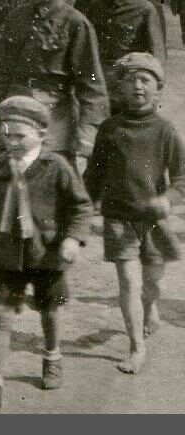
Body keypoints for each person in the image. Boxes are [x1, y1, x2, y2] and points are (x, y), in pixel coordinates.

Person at [0, 96, 92, 412]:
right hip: (8, 254)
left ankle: (52, 355)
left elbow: (81, 206)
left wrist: (72, 240)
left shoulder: (56, 167)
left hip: (47, 254)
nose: (11, 142)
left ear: (41, 133)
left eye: (19, 136)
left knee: (48, 311)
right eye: (6, 135)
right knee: (1, 314)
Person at [83, 52, 184, 375]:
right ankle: (136, 347)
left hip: (153, 220)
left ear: (157, 88)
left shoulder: (165, 130)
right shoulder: (110, 129)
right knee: (128, 282)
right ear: (120, 88)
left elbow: (182, 177)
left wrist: (169, 198)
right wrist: (83, 209)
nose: (138, 86)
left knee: (151, 283)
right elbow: (94, 175)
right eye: (130, 80)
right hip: (118, 218)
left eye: (145, 80)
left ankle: (151, 305)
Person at [0, 0, 108, 168]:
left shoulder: (75, 23)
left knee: (49, 177)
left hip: (53, 119)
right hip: (15, 111)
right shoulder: (17, 18)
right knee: (10, 177)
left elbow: (91, 87)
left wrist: (87, 136)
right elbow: (0, 71)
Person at [77, 0, 165, 109]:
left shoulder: (144, 9)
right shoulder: (95, 5)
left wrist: (154, 85)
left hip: (129, 77)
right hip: (99, 76)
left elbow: (157, 51)